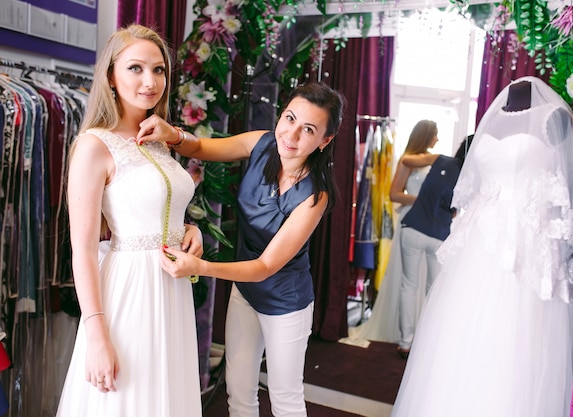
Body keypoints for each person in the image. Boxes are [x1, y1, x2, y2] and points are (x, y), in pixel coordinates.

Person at [136, 82, 345, 417]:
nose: (291, 135)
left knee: (285, 399)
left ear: (325, 140)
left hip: (286, 302)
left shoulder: (315, 195)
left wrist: (199, 267)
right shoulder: (261, 143)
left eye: (308, 129)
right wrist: (171, 134)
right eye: (289, 118)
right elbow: (202, 146)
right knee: (239, 392)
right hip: (245, 292)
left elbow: (265, 265)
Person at [390, 76, 573, 417]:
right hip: (479, 243)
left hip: (528, 241)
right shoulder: (491, 118)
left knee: (518, 336)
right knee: (462, 332)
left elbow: (566, 191)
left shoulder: (554, 117)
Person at [56, 25, 204, 417]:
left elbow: (158, 207)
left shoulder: (157, 136)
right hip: (130, 292)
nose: (149, 81)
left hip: (170, 290)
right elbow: (83, 250)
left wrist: (190, 230)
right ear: (111, 76)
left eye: (158, 70)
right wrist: (96, 336)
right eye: (136, 68)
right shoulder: (94, 145)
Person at [348, 120, 437, 345]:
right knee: (407, 279)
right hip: (411, 219)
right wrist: (422, 201)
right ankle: (402, 333)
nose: (437, 140)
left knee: (426, 278)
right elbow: (394, 194)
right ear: (425, 136)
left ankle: (420, 330)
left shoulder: (430, 160)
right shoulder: (408, 160)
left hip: (429, 224)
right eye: (435, 135)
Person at [394, 133, 472, 358]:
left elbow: (407, 161)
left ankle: (404, 343)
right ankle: (426, 343)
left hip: (414, 226)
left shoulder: (438, 159)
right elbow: (457, 211)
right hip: (439, 236)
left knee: (408, 286)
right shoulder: (469, 178)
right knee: (433, 291)